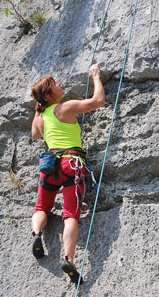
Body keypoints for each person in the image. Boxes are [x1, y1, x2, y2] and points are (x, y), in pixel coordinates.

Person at [30, 63, 105, 284]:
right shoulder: (65, 107)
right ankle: (68, 259)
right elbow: (98, 101)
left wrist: (39, 107)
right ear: (50, 93)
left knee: (42, 207)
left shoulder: (40, 119)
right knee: (70, 213)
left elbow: (35, 134)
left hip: (50, 167)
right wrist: (96, 77)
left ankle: (36, 234)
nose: (60, 85)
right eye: (55, 84)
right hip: (71, 164)